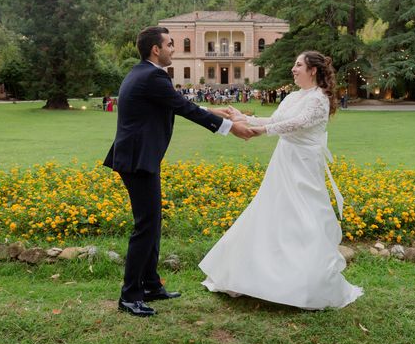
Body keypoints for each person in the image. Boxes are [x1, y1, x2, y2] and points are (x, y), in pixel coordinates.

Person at [103, 26, 255, 317]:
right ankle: (130, 295)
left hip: (139, 157)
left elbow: (177, 104)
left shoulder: (143, 73)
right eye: (170, 44)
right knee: (145, 226)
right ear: (156, 49)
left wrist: (216, 113)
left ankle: (150, 285)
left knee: (152, 222)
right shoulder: (153, 75)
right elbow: (184, 109)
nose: (174, 48)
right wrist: (230, 127)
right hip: (137, 159)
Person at [199, 51, 363, 310]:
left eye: (298, 65)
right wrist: (242, 118)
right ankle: (260, 276)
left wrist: (260, 131)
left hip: (304, 166)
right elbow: (277, 120)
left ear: (313, 71)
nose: (293, 69)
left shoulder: (319, 99)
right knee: (273, 212)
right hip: (284, 161)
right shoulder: (294, 96)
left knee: (303, 217)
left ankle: (304, 284)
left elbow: (298, 123)